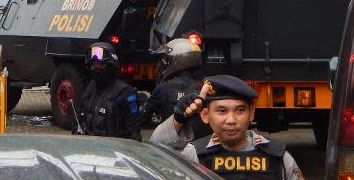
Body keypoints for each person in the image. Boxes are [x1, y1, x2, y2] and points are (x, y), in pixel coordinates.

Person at [150, 74, 305, 180]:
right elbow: (152, 157)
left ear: (251, 114)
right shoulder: (194, 155)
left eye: (240, 110)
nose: (231, 120)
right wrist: (178, 120)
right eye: (222, 111)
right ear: (205, 115)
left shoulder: (279, 156)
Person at [74, 41, 142, 141]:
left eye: (101, 65)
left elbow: (134, 134)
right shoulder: (90, 89)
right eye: (93, 66)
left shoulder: (125, 93)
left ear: (111, 66)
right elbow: (78, 122)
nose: (96, 69)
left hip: (115, 152)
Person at [142, 38, 207, 137]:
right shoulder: (205, 87)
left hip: (171, 144)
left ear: (177, 61)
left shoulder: (163, 88)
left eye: (166, 60)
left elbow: (143, 116)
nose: (163, 64)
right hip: (200, 144)